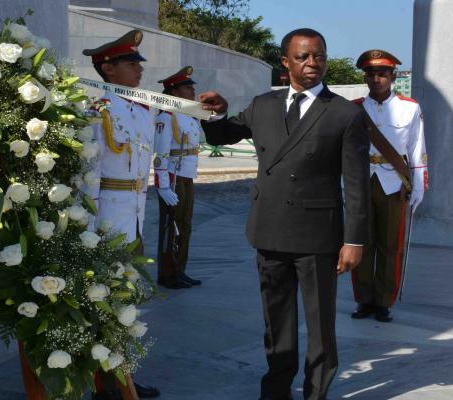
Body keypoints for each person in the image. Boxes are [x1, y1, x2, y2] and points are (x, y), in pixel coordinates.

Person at [198, 28, 370, 400]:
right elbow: (222, 135)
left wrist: (354, 240)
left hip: (318, 236)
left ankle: (315, 392)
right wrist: (216, 114)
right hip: (270, 230)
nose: (313, 63)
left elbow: (356, 185)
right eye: (304, 57)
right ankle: (276, 390)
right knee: (276, 321)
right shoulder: (263, 105)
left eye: (319, 56)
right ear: (285, 62)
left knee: (320, 324)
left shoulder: (343, 114)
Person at [82, 29, 161, 400]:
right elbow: (89, 172)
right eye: (131, 63)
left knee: (125, 303)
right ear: (108, 68)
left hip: (133, 217)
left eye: (138, 63)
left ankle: (123, 376)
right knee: (105, 301)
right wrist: (90, 226)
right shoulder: (98, 109)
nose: (139, 70)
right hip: (107, 221)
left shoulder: (141, 111)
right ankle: (107, 382)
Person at [350, 49, 428, 322]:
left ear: (393, 76)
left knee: (390, 245)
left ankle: (384, 301)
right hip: (361, 181)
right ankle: (363, 299)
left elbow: (417, 149)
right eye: (371, 74)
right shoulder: (354, 108)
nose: (376, 78)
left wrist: (419, 185)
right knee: (361, 242)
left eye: (382, 73)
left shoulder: (410, 107)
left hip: (394, 182)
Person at [154, 66, 203, 289]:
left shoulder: (189, 115)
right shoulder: (167, 116)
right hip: (173, 176)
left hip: (186, 175)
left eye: (191, 86)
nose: (192, 90)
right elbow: (161, 154)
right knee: (170, 226)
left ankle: (180, 270)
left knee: (185, 226)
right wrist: (163, 186)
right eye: (187, 87)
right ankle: (167, 273)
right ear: (174, 92)